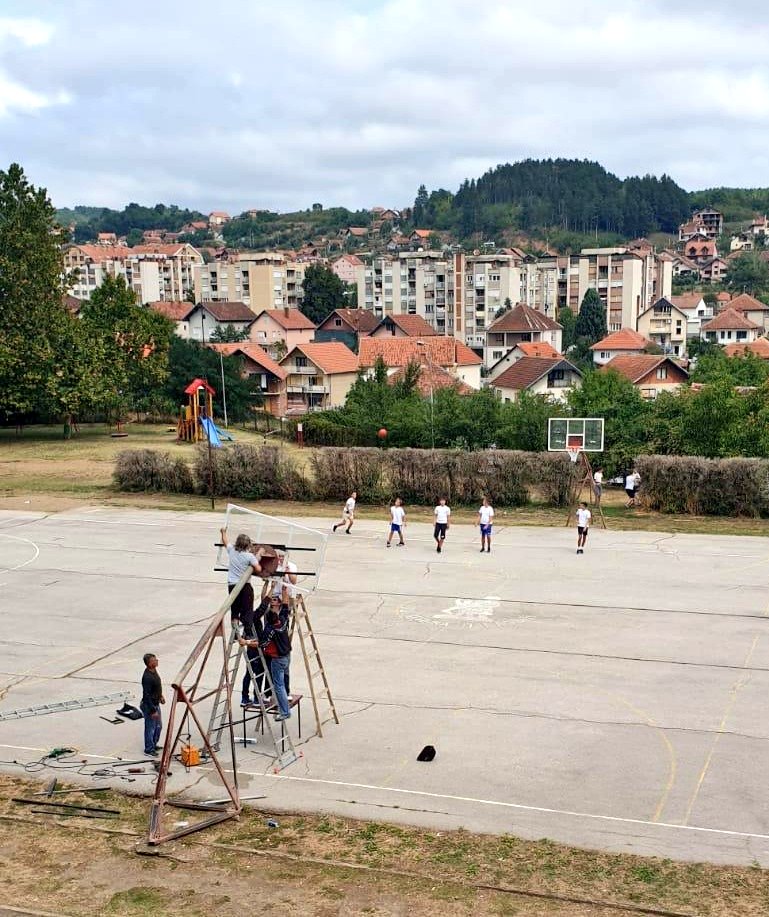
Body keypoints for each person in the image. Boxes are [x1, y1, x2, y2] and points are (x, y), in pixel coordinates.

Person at [241, 596, 292, 721]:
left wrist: (246, 642)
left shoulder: (269, 630)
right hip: (286, 656)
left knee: (278, 685)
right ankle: (281, 699)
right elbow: (285, 605)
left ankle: (285, 711)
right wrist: (285, 590)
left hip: (277, 659)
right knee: (282, 680)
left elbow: (260, 644)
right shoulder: (283, 621)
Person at [220, 528, 262, 632]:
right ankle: (248, 631)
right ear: (247, 545)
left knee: (235, 609)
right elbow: (258, 569)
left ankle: (235, 632)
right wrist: (259, 555)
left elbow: (225, 542)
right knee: (247, 609)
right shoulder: (249, 556)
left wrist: (223, 532)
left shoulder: (232, 551)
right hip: (244, 585)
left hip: (232, 585)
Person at [240, 596, 269, 707]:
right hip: (256, 648)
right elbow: (262, 608)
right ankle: (257, 699)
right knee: (259, 674)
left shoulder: (244, 616)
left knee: (249, 674)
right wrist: (270, 590)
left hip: (250, 649)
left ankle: (245, 698)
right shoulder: (252, 616)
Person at [140, 653, 164, 756]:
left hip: (155, 702)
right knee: (150, 728)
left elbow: (156, 687)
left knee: (158, 726)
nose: (157, 661)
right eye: (154, 660)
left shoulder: (154, 671)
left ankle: (154, 744)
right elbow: (146, 695)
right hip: (149, 706)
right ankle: (149, 749)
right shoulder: (147, 677)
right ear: (149, 664)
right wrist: (152, 710)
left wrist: (160, 696)